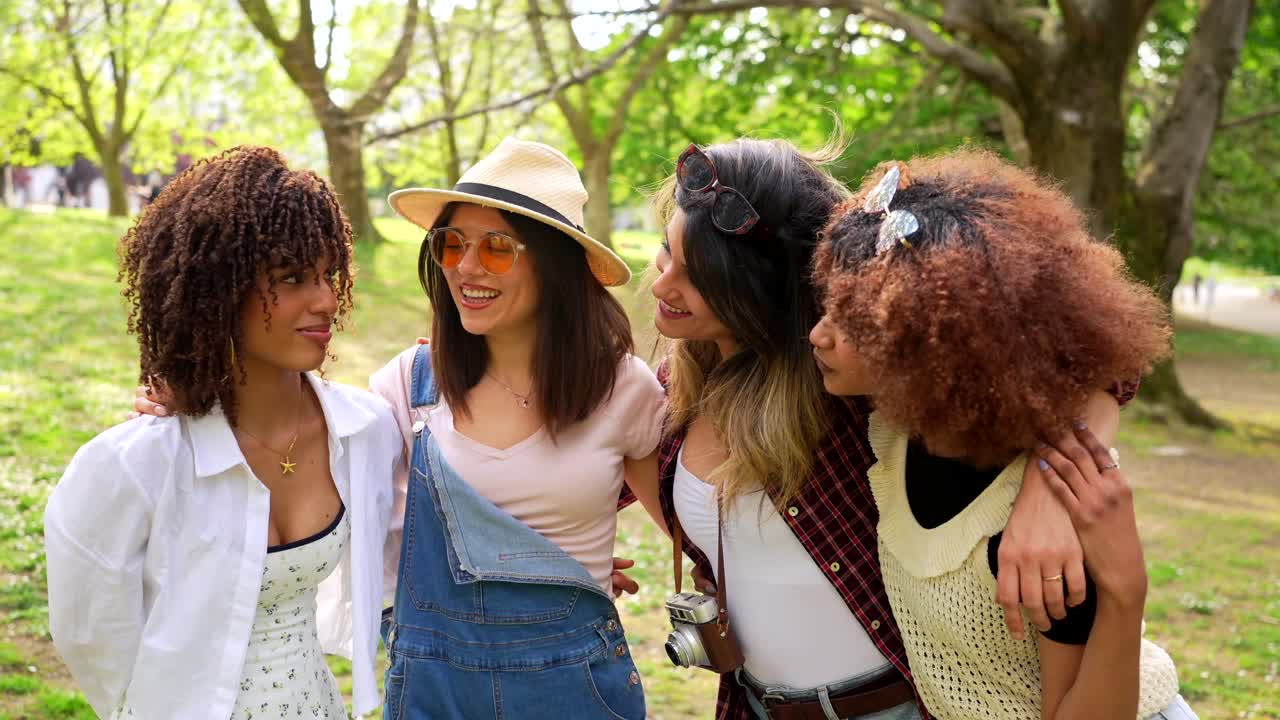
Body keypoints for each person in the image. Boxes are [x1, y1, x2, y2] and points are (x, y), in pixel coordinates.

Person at [130, 139, 665, 718]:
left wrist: (559, 575)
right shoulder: (406, 392)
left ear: (556, 264)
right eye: (451, 243)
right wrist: (201, 402)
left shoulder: (625, 390)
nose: (465, 266)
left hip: (577, 692)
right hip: (435, 696)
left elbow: (698, 532)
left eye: (498, 249)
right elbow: (302, 442)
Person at [629, 137, 1128, 720]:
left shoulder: (856, 383)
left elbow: (1104, 370)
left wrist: (1048, 492)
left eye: (700, 280)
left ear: (765, 292)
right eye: (667, 255)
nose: (662, 287)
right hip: (754, 704)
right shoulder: (670, 391)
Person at [808, 149, 1193, 719]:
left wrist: (1124, 589)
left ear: (937, 337)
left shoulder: (1042, 526)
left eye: (855, 320)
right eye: (826, 305)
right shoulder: (892, 429)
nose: (817, 335)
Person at [45, 146, 400, 720]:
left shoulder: (366, 431)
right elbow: (93, 641)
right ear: (217, 290)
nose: (327, 300)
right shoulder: (135, 464)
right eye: (291, 278)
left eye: (328, 275)